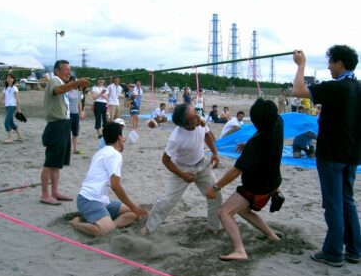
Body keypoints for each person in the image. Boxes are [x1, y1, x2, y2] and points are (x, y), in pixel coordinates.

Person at [292, 46, 361, 267]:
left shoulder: (336, 87)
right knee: (347, 201)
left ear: (340, 63)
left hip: (332, 154)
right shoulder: (358, 87)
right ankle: (355, 250)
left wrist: (301, 65)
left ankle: (333, 253)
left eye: (331, 62)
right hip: (352, 155)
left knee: (333, 204)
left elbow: (298, 90)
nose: (329, 67)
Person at [206, 98, 283, 261]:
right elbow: (265, 133)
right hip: (273, 182)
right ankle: (272, 236)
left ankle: (239, 250)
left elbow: (236, 171)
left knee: (224, 212)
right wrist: (248, 144)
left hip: (256, 187)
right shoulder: (278, 123)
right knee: (242, 210)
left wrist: (216, 187)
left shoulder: (257, 142)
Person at [140, 104, 222, 235]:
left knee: (215, 195)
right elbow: (165, 160)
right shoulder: (176, 138)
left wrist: (215, 153)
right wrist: (182, 175)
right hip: (182, 168)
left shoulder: (199, 121)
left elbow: (207, 135)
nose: (197, 116)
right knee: (167, 200)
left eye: (195, 112)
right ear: (186, 124)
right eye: (193, 116)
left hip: (202, 164)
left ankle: (214, 228)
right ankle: (148, 228)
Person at [70, 122, 148, 237]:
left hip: (101, 200)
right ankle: (76, 223)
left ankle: (109, 224)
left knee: (135, 213)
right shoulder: (115, 155)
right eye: (122, 136)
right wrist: (133, 206)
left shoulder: (101, 152)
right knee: (105, 231)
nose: (124, 139)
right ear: (119, 137)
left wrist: (133, 208)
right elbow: (115, 186)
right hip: (89, 199)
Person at [40, 60, 89, 205]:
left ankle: (55, 191)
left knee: (57, 162)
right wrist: (76, 83)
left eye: (70, 70)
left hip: (64, 124)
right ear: (57, 71)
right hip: (56, 125)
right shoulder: (55, 81)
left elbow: (63, 91)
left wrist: (75, 84)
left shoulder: (62, 83)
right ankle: (44, 194)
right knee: (50, 162)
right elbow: (58, 90)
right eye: (66, 70)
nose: (69, 72)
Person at [0, 74, 23, 143]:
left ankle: (10, 138)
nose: (9, 79)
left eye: (10, 78)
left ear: (13, 79)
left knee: (6, 122)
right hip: (7, 106)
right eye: (7, 78)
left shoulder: (15, 88)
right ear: (6, 80)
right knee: (11, 122)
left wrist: (18, 108)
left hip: (12, 106)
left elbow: (17, 99)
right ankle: (19, 136)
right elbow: (2, 98)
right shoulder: (5, 88)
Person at [67, 76, 84, 154]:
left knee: (75, 132)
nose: (72, 83)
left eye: (73, 81)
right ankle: (66, 149)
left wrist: (80, 112)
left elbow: (79, 103)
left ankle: (75, 149)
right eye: (70, 81)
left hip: (75, 113)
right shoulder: (65, 92)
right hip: (67, 114)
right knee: (67, 132)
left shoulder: (77, 92)